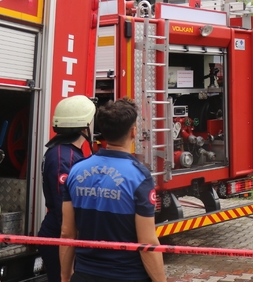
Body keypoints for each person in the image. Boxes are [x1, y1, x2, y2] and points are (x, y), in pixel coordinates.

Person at [60, 98, 166, 282]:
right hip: (127, 276)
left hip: (84, 274)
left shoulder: (76, 171)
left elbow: (67, 233)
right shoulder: (139, 177)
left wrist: (65, 277)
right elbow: (147, 243)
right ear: (133, 132)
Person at [38, 96, 95, 282]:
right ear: (84, 126)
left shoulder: (64, 151)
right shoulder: (65, 157)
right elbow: (64, 209)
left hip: (63, 235)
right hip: (60, 237)